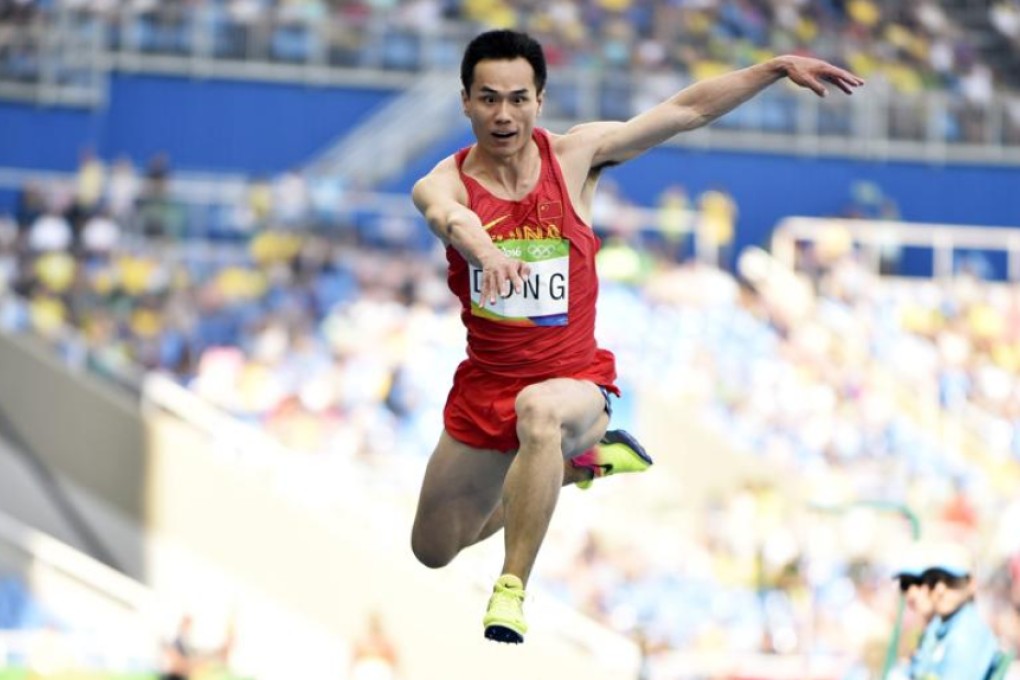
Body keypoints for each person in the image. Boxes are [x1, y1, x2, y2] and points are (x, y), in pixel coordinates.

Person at [409, 28, 863, 644]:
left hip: (573, 387)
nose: (504, 114)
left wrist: (775, 67)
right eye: (488, 98)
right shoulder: (445, 182)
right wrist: (486, 251)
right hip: (484, 385)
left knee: (538, 412)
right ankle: (579, 469)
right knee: (433, 550)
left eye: (518, 98)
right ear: (466, 101)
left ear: (540, 100)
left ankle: (511, 591)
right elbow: (448, 217)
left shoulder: (576, 158)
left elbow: (686, 110)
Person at [907, 541, 1001, 679]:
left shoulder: (968, 634)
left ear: (971, 585)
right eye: (933, 580)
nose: (940, 589)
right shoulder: (942, 625)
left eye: (950, 579)